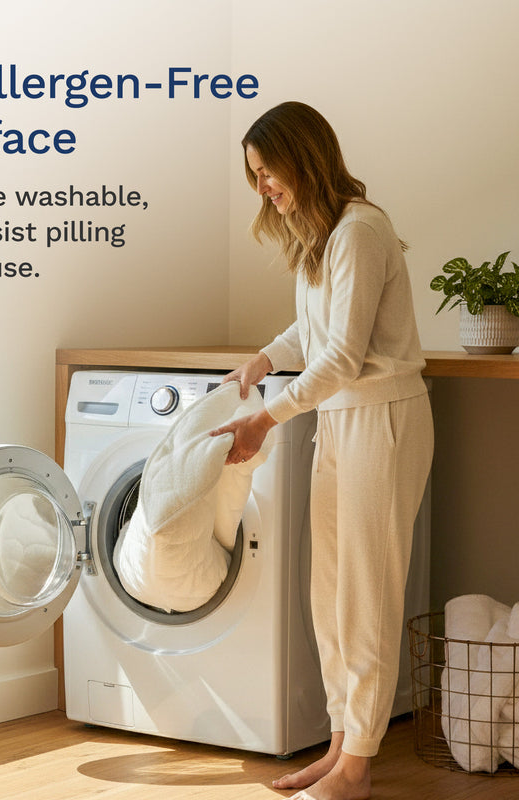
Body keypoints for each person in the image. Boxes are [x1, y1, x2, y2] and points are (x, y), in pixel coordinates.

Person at [210, 101, 433, 800]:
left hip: (382, 422)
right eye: (255, 177)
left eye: (267, 170)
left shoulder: (362, 230)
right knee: (329, 592)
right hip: (341, 421)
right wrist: (260, 361)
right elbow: (312, 330)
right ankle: (341, 748)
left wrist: (266, 419)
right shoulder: (324, 235)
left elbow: (341, 353)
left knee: (364, 595)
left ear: (303, 155)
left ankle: (359, 768)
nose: (263, 188)